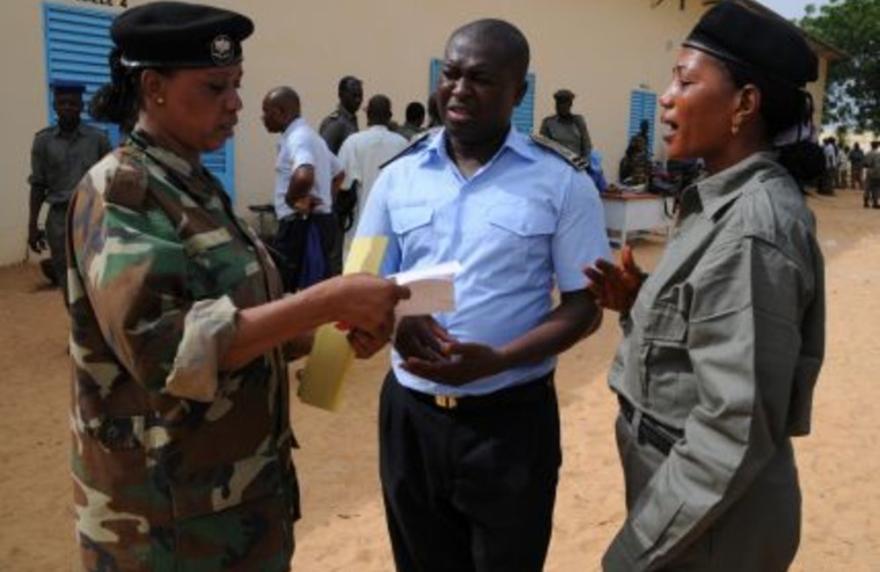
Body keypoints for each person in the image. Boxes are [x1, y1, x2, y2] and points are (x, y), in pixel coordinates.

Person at [69, 4, 408, 570]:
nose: (236, 104)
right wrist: (325, 299)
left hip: (236, 500)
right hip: (164, 524)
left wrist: (330, 331)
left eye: (237, 85)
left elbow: (244, 320)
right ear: (153, 87)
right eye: (214, 87)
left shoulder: (196, 186)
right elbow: (167, 351)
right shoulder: (122, 193)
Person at [352, 18, 609, 572]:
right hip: (411, 417)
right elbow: (362, 283)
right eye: (451, 73)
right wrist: (397, 322)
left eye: (482, 78)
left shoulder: (562, 181)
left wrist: (499, 360)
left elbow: (584, 307)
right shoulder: (398, 177)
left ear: (518, 92)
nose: (460, 89)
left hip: (511, 424)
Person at [586, 4, 825, 570]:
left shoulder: (751, 228)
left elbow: (732, 429)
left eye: (686, 81)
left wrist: (630, 556)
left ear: (744, 103)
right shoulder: (717, 200)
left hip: (713, 526)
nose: (666, 97)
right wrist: (641, 299)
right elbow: (708, 335)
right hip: (686, 497)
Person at [28, 81, 111, 302]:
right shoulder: (42, 142)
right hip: (58, 220)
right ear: (54, 105)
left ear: (81, 106)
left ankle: (101, 330)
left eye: (73, 103)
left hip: (92, 214)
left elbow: (111, 180)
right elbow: (37, 185)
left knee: (98, 274)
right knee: (67, 279)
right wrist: (32, 226)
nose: (67, 107)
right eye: (62, 102)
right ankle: (78, 327)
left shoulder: (98, 139)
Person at [262, 86, 345, 288]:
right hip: (315, 221)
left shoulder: (298, 138)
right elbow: (339, 173)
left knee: (292, 289)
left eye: (267, 112)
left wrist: (292, 201)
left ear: (281, 112)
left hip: (301, 225)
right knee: (313, 287)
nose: (263, 118)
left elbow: (303, 175)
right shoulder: (311, 137)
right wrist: (327, 200)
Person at [336, 94, 408, 241]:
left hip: (361, 229)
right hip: (394, 230)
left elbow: (341, 184)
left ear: (367, 115)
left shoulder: (353, 143)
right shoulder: (403, 145)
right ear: (389, 116)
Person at [539, 88, 593, 158]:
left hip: (576, 163)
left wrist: (584, 163)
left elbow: (587, 146)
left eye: (564, 103)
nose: (561, 106)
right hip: (555, 163)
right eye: (558, 103)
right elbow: (542, 147)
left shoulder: (578, 121)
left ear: (570, 104)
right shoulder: (548, 122)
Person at [318, 75, 363, 154]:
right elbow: (324, 155)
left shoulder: (351, 120)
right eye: (354, 96)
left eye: (360, 96)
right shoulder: (335, 123)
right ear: (341, 95)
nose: (358, 100)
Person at [865, 140, 880, 209]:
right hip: (877, 172)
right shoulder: (878, 154)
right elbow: (878, 165)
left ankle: (866, 202)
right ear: (877, 146)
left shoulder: (868, 153)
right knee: (876, 188)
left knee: (867, 187)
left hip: (869, 171)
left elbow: (865, 164)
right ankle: (875, 203)